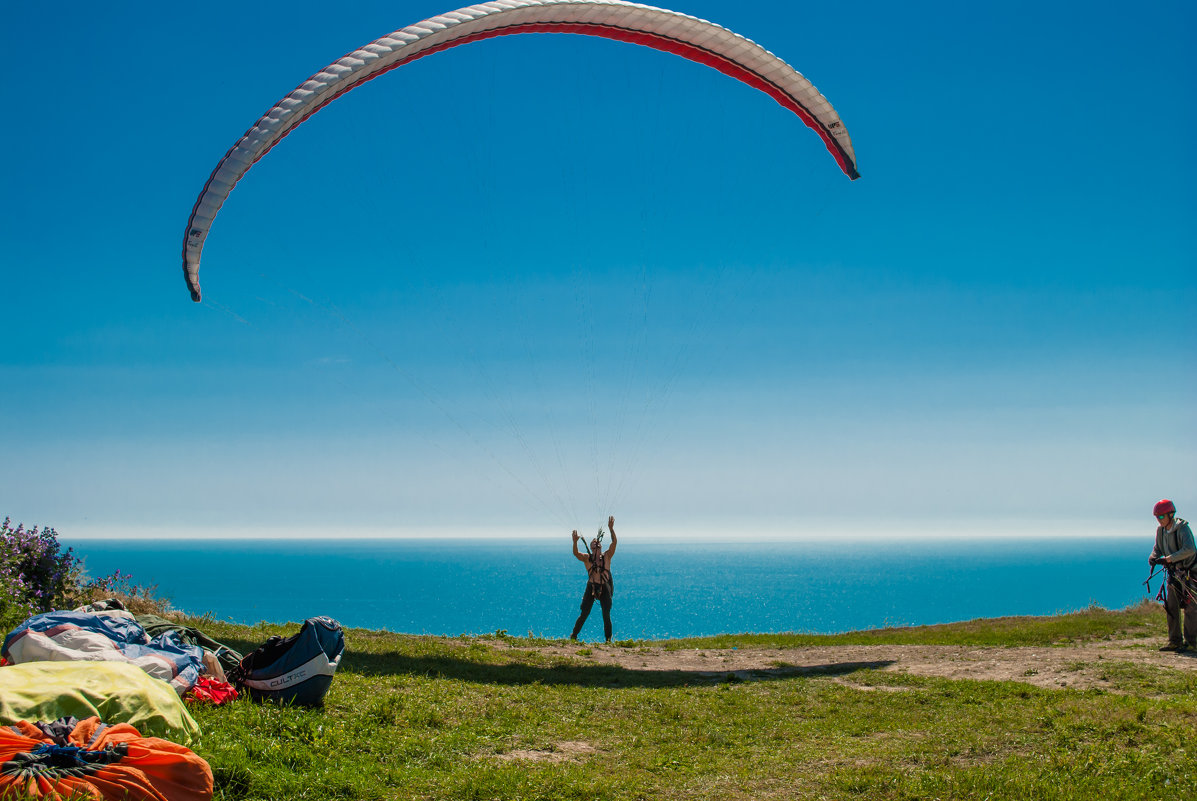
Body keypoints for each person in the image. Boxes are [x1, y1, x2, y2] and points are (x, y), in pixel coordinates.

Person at [1148, 499, 1197, 652]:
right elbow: (1157, 548)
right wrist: (1153, 557)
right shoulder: (1160, 531)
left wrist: (1169, 559)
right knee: (1171, 606)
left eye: (1161, 517)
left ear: (1171, 514)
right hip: (1174, 574)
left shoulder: (1183, 529)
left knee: (1191, 608)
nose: (1159, 520)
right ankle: (1175, 641)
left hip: (1190, 574)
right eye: (1157, 517)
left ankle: (1192, 642)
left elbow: (1190, 549)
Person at [570, 515, 617, 643]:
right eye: (593, 541)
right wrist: (574, 542)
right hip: (591, 587)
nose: (596, 541)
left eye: (597, 541)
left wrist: (611, 529)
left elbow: (614, 543)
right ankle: (573, 636)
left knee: (606, 614)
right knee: (584, 613)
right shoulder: (587, 558)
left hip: (605, 587)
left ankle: (608, 640)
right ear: (590, 547)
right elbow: (576, 554)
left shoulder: (607, 556)